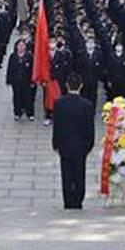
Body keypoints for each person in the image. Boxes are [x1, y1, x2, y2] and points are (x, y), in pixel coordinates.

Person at [52, 73, 95, 209]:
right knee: (79, 174)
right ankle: (78, 201)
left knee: (66, 174)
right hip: (81, 147)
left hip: (64, 145)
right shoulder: (87, 105)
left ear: (66, 85)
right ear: (81, 86)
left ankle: (68, 201)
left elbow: (57, 126)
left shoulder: (59, 104)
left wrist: (56, 144)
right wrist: (89, 146)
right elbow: (90, 129)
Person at [6, 39, 35, 121]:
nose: (21, 47)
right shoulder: (13, 56)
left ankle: (30, 113)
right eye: (19, 45)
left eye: (23, 45)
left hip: (27, 80)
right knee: (16, 97)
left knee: (28, 97)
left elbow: (32, 69)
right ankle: (17, 113)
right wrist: (9, 80)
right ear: (16, 46)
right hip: (16, 81)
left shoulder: (29, 56)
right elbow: (10, 69)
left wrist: (33, 81)